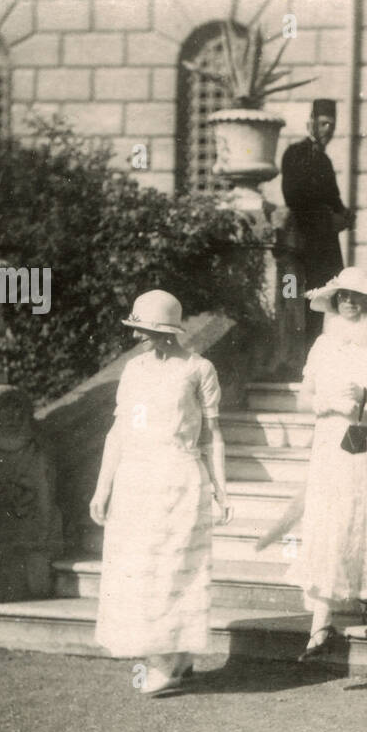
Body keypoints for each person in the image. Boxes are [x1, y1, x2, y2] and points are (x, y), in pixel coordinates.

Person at [89, 290, 233, 696]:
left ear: (167, 332)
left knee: (172, 570)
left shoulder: (199, 369)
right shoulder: (134, 370)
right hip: (136, 480)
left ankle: (168, 661)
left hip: (179, 477)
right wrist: (103, 487)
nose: (138, 337)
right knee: (138, 571)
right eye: (137, 329)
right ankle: (172, 657)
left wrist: (222, 491)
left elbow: (214, 436)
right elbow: (118, 431)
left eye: (146, 330)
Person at [288, 267, 367, 660]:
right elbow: (303, 397)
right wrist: (328, 403)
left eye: (357, 296)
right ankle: (320, 623)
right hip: (329, 443)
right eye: (343, 296)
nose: (350, 302)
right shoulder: (325, 344)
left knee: (362, 520)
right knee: (329, 523)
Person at [282, 98, 351, 352]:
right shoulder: (295, 153)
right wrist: (328, 218)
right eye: (322, 124)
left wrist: (345, 215)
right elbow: (295, 198)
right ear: (310, 123)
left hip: (326, 245)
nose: (327, 130)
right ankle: (304, 357)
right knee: (307, 303)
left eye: (331, 125)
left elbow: (334, 199)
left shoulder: (325, 160)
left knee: (331, 301)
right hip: (305, 243)